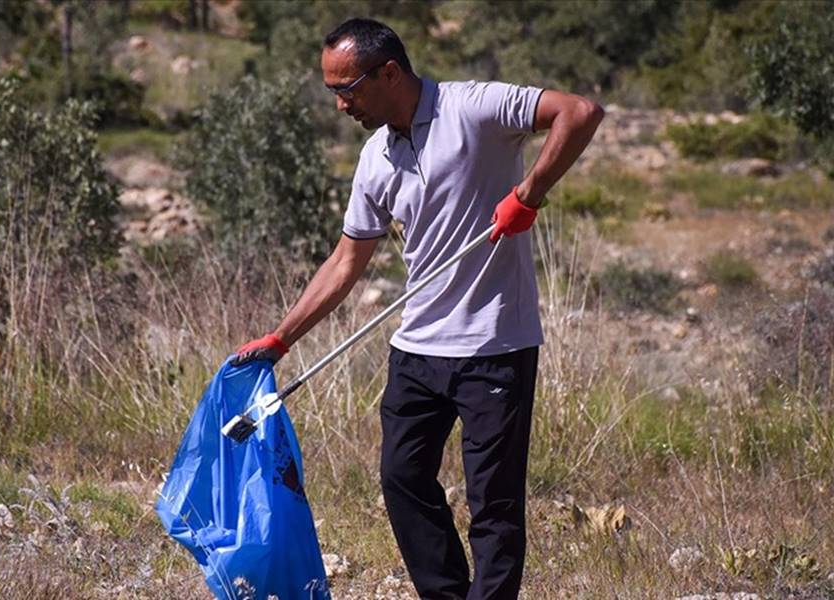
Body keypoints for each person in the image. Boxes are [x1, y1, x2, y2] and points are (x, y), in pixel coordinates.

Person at [232, 17, 603, 600]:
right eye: (331, 91)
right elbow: (344, 263)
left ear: (388, 73)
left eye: (345, 89)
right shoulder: (375, 157)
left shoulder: (474, 106)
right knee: (401, 478)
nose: (339, 106)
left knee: (494, 505)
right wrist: (281, 338)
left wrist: (527, 196)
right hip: (417, 350)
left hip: (494, 346)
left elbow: (579, 112)